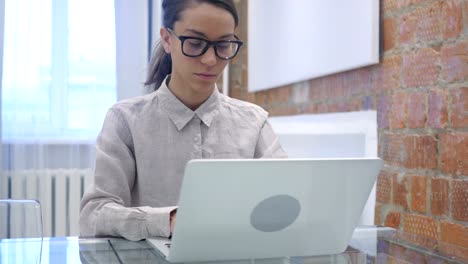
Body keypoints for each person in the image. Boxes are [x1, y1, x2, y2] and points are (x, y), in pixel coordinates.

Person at [79, 0, 287, 241]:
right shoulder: (125, 120)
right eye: (195, 43)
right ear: (167, 39)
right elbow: (93, 215)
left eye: (223, 45)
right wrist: (168, 220)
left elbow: (287, 196)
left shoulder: (254, 122)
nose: (211, 60)